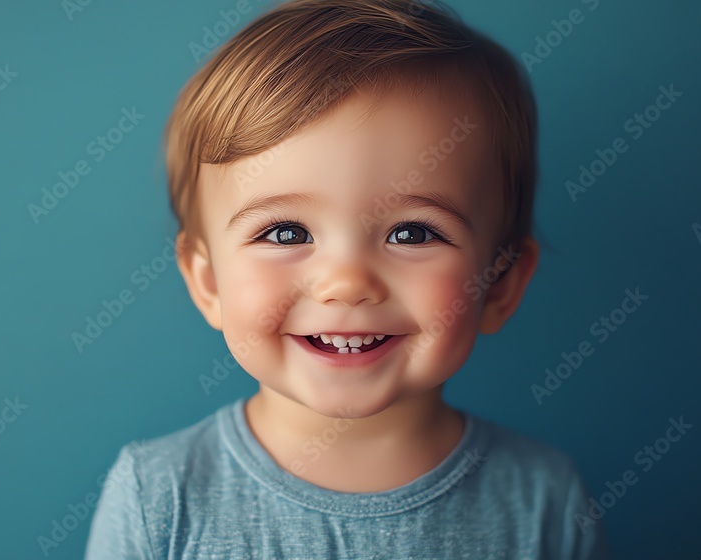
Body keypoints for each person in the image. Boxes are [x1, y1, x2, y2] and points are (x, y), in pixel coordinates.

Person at [86, 0, 611, 557]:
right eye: (286, 233)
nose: (346, 281)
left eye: (412, 234)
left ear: (500, 284)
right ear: (209, 282)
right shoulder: (157, 495)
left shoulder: (545, 499)